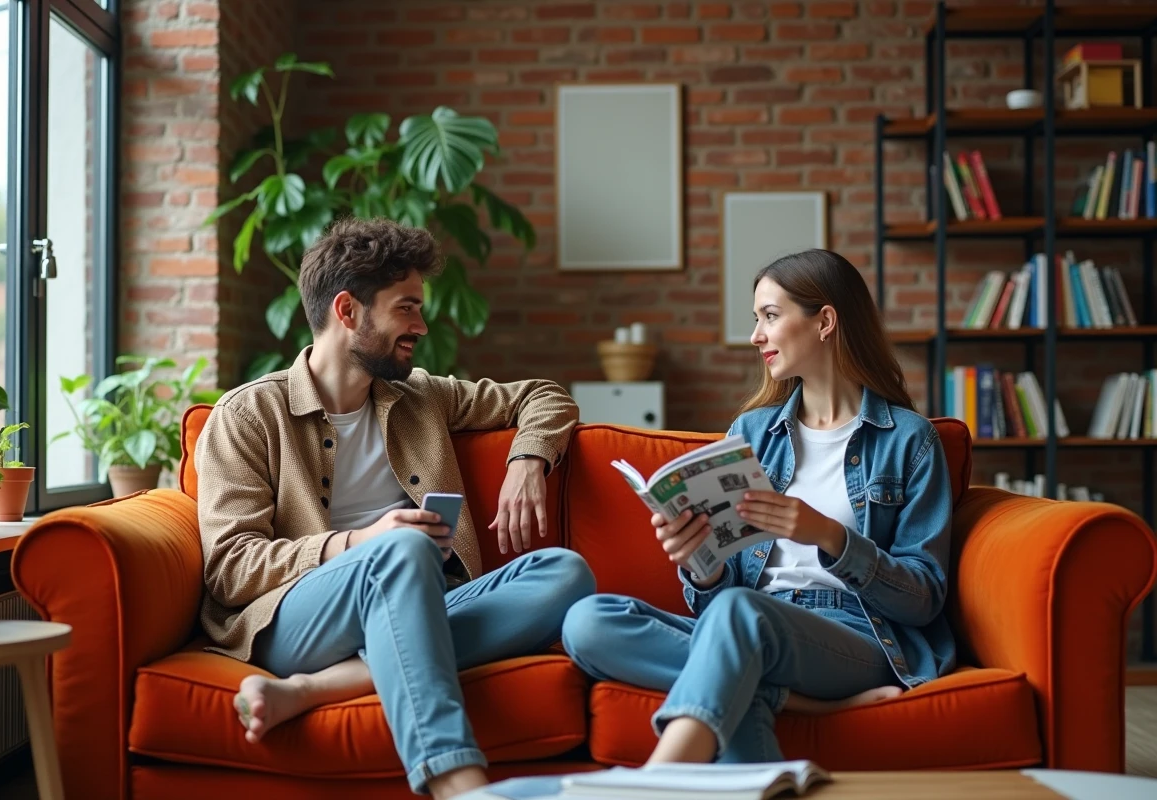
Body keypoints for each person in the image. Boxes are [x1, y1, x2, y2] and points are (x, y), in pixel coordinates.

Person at [194, 216, 596, 800]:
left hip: (417, 601)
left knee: (565, 573)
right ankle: (456, 783)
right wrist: (361, 542)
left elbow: (543, 396)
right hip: (290, 619)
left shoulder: (421, 397)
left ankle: (311, 690)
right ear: (347, 310)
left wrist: (527, 461)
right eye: (406, 308)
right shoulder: (249, 415)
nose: (422, 326)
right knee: (403, 549)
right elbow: (231, 568)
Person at [561, 248, 956, 765]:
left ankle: (661, 778)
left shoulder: (909, 440)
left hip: (855, 633)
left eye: (770, 316)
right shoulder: (751, 433)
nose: (755, 336)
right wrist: (700, 564)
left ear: (825, 322)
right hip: (745, 625)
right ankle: (787, 699)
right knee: (587, 622)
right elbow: (719, 597)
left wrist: (830, 536)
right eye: (757, 319)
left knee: (740, 613)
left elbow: (924, 598)